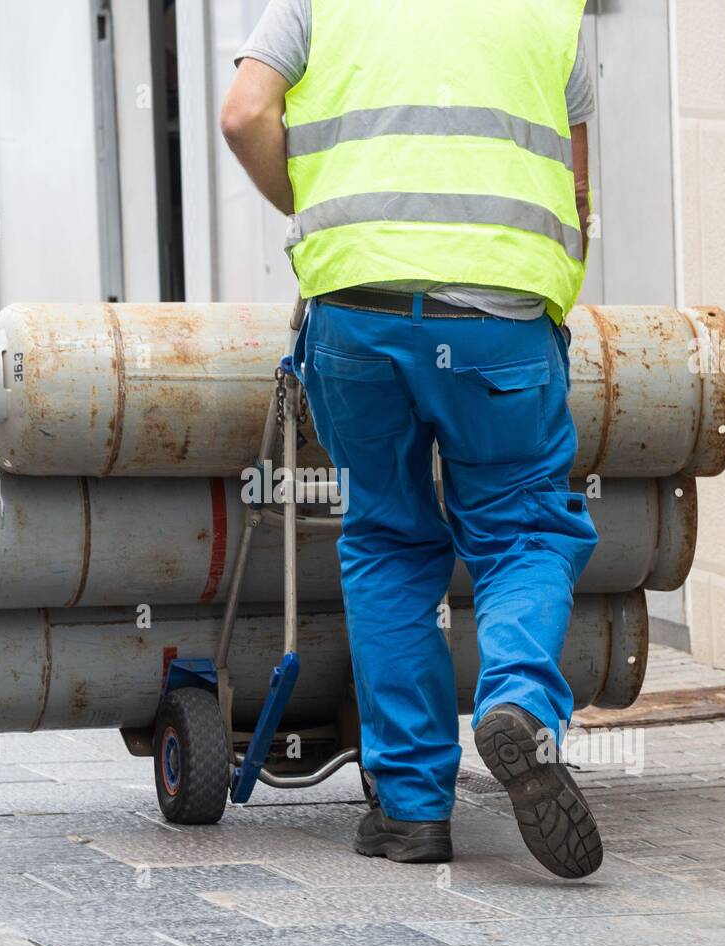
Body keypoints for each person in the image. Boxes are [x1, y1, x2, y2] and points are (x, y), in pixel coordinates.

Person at [220, 0, 602, 878]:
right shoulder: (555, 13)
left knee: (389, 540)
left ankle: (413, 810)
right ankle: (518, 706)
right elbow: (579, 192)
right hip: (500, 319)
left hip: (358, 315)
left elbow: (244, 114)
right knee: (525, 530)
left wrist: (309, 202)